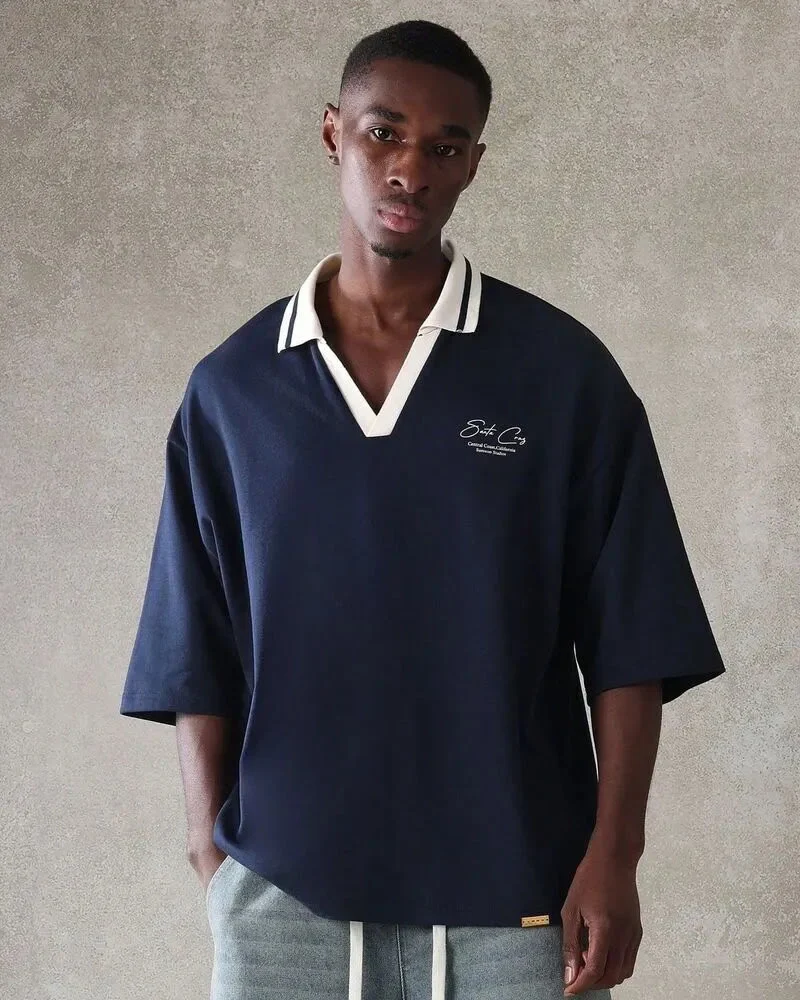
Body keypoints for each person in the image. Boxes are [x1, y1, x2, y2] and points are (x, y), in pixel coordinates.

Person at [119, 18, 727, 1000]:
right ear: (332, 135)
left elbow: (631, 641)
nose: (410, 167)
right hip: (285, 898)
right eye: (381, 134)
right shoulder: (232, 391)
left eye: (444, 146)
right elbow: (195, 646)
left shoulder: (560, 375)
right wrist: (212, 857)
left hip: (519, 891)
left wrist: (614, 856)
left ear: (473, 165)